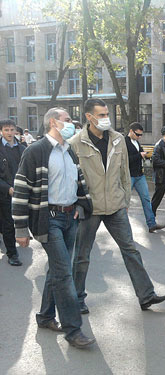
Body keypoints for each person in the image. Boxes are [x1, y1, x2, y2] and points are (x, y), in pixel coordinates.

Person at [69, 99, 165, 314]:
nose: (106, 118)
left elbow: (125, 172)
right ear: (89, 117)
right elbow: (72, 178)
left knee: (131, 250)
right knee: (81, 256)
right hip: (90, 207)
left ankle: (146, 295)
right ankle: (77, 299)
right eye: (102, 115)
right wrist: (78, 204)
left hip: (115, 205)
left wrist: (125, 199)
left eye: (107, 114)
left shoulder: (117, 139)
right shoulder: (76, 143)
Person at [13, 108, 95, 348]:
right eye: (68, 120)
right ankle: (73, 330)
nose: (72, 124)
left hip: (70, 218)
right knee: (64, 274)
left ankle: (46, 316)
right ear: (53, 122)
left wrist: (81, 203)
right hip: (48, 219)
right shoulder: (35, 151)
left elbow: (79, 182)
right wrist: (20, 229)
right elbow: (20, 189)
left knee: (57, 271)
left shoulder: (69, 151)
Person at [125, 122, 165, 233]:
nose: (139, 137)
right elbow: (125, 159)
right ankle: (123, 228)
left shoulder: (137, 142)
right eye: (137, 134)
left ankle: (152, 224)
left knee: (146, 199)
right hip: (128, 176)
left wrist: (144, 156)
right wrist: (139, 155)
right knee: (125, 202)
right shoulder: (124, 142)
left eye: (141, 135)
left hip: (139, 175)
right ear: (131, 131)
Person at [0, 120, 26, 266]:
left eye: (12, 130)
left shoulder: (22, 149)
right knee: (8, 224)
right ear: (1, 131)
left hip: (22, 192)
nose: (10, 133)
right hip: (5, 194)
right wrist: (7, 188)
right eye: (6, 130)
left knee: (21, 221)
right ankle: (12, 253)